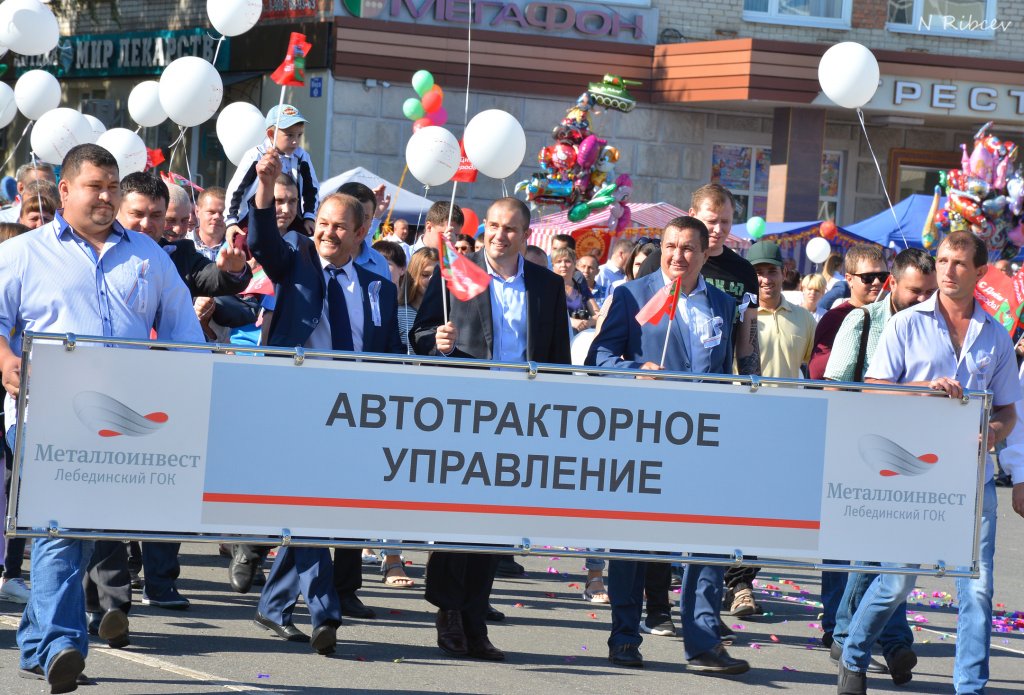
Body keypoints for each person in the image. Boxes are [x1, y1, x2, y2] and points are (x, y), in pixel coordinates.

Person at [0, 143, 204, 693]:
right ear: (64, 191)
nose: (107, 196)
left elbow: (184, 332)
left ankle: (36, 641)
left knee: (81, 530)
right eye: (96, 186)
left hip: (121, 419)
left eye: (114, 186)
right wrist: (6, 358)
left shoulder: (148, 256)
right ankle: (63, 644)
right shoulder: (22, 254)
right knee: (62, 523)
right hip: (42, 413)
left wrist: (187, 385)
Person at [839, 231, 1020, 695]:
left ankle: (970, 687)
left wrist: (995, 435)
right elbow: (875, 390)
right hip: (912, 475)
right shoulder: (906, 324)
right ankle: (853, 656)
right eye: (942, 261)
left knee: (977, 588)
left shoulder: (995, 335)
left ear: (980, 272)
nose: (947, 270)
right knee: (897, 583)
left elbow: (1008, 410)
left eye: (959, 263)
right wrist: (923, 390)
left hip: (972, 480)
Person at [247, 148, 403, 655]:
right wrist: (265, 185)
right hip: (299, 406)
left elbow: (388, 351)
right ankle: (325, 610)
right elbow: (261, 240)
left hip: (354, 413)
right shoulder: (296, 260)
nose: (328, 233)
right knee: (311, 508)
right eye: (324, 224)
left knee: (322, 512)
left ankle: (273, 605)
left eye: (340, 227)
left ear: (361, 234)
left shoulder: (378, 286)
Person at [411, 196, 571, 662]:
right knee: (458, 518)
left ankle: (475, 617)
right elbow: (420, 337)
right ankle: (449, 612)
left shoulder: (545, 284)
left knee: (494, 523)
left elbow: (557, 356)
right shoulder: (457, 273)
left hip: (520, 418)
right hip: (464, 413)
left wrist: (554, 413)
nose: (500, 235)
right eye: (494, 226)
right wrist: (437, 342)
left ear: (526, 235)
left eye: (510, 228)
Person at [586, 215, 747, 675]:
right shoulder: (633, 295)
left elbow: (723, 369)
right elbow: (600, 358)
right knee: (632, 544)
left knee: (709, 540)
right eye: (671, 246)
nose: (678, 255)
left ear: (705, 252)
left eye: (688, 248)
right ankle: (624, 636)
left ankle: (703, 641)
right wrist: (635, 370)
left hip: (704, 440)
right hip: (646, 437)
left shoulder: (722, 303)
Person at [822, 248, 936, 686]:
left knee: (891, 548)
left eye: (928, 292)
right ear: (894, 285)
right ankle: (879, 639)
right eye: (915, 291)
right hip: (866, 447)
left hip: (917, 452)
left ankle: (863, 636)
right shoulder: (863, 320)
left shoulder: (932, 325)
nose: (922, 300)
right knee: (877, 547)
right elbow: (835, 386)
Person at [639, 185, 760, 377]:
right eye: (711, 221)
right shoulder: (660, 261)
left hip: (713, 382)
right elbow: (634, 320)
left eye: (725, 221)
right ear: (692, 215)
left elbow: (749, 342)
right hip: (658, 378)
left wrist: (752, 385)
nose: (718, 229)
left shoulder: (744, 271)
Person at [225, 104, 319, 237]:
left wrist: (309, 216)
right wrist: (231, 220)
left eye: (299, 135)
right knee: (241, 242)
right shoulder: (256, 155)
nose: (295, 141)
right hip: (254, 219)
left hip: (289, 218)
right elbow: (236, 189)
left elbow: (311, 189)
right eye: (290, 135)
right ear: (271, 134)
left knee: (306, 240)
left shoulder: (302, 157)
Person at [751, 240, 816, 380]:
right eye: (759, 273)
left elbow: (817, 364)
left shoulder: (805, 318)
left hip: (790, 395)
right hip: (745, 395)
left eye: (772, 272)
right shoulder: (739, 316)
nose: (766, 280)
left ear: (784, 273)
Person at [397, 247, 438, 354]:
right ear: (413, 275)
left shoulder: (448, 315)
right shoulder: (398, 314)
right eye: (425, 275)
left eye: (437, 275)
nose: (432, 279)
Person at [552, 246, 599, 334]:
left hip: (579, 336)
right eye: (558, 261)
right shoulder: (548, 287)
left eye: (567, 261)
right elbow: (546, 315)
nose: (563, 265)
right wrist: (571, 321)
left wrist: (587, 323)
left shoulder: (580, 286)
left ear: (575, 264)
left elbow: (598, 314)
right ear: (553, 265)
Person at [189, 187, 228, 261]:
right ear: (197, 212)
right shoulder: (183, 244)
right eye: (211, 212)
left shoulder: (236, 245)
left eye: (222, 213)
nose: (217, 217)